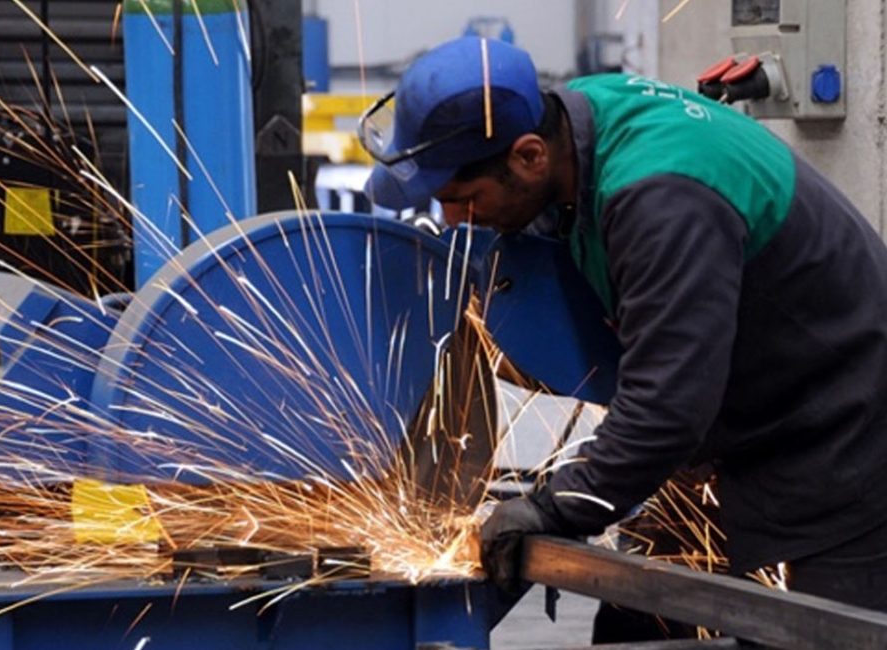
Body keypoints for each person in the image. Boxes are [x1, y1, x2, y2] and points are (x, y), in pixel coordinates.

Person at [359, 35, 887, 617]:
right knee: (643, 618)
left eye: (463, 199)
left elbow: (666, 411)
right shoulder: (574, 120)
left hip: (846, 438)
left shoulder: (662, 200)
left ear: (529, 157)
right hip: (741, 431)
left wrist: (551, 507)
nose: (452, 218)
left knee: (822, 630)